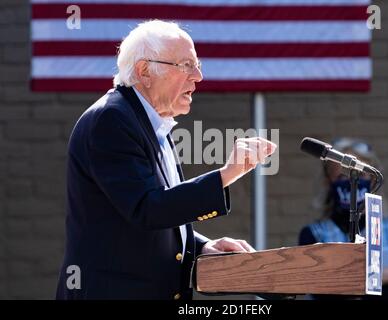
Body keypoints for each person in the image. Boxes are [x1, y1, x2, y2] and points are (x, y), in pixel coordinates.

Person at [56, 20, 276, 300]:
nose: (198, 76)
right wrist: (226, 174)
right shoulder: (110, 120)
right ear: (145, 71)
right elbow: (146, 208)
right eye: (185, 65)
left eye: (197, 65)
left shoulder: (151, 122)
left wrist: (199, 248)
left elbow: (150, 223)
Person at [298, 137, 388, 300]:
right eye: (342, 177)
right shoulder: (313, 235)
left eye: (360, 176)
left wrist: (341, 285)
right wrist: (382, 277)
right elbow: (319, 294)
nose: (351, 183)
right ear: (327, 182)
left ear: (373, 179)